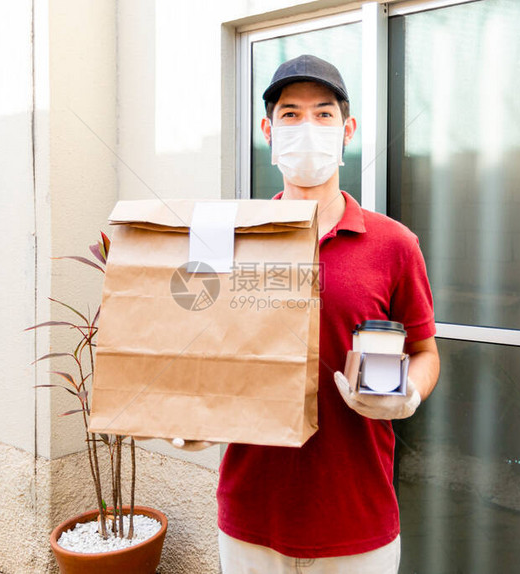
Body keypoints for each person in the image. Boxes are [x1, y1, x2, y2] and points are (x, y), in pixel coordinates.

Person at [174, 54, 440, 572]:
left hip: (358, 524)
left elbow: (425, 351)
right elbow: (198, 347)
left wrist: (411, 394)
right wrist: (191, 414)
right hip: (252, 518)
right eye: (291, 114)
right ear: (268, 130)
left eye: (323, 114)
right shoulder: (230, 237)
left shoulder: (395, 244)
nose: (307, 127)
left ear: (348, 130)